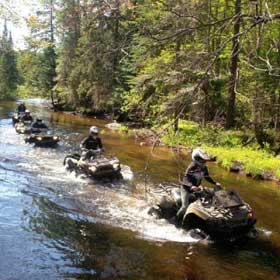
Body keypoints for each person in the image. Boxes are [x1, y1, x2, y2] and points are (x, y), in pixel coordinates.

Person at [176, 148, 221, 221]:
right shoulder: (192, 167)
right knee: (184, 206)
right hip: (186, 189)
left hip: (196, 188)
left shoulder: (204, 168)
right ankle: (177, 219)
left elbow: (207, 177)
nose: (203, 162)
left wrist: (215, 183)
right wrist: (191, 186)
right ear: (197, 159)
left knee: (208, 196)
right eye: (201, 160)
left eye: (204, 160)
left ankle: (205, 215)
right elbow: (185, 179)